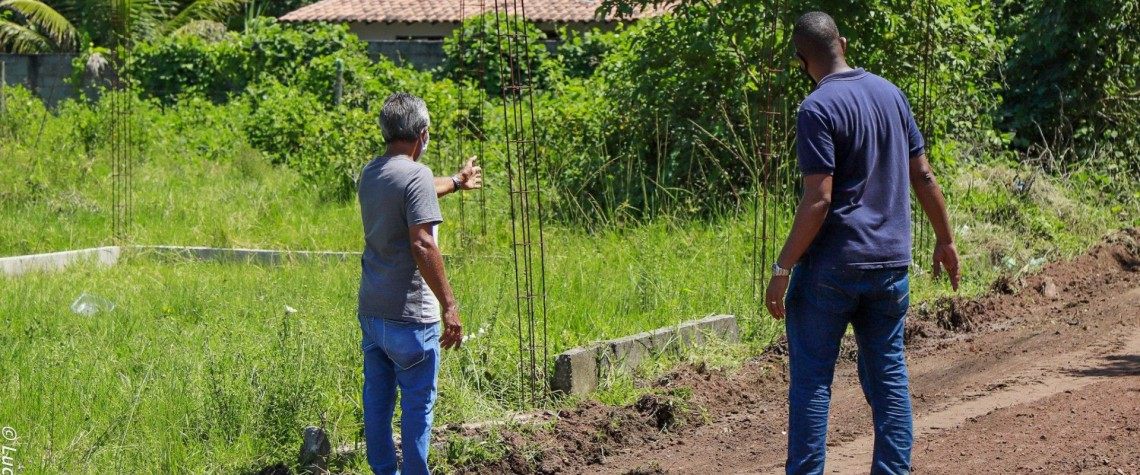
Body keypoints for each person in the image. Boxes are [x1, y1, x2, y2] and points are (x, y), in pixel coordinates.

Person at [763, 11, 961, 475]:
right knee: (889, 379)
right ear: (843, 43)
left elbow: (819, 200)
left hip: (832, 270)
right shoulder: (891, 94)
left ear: (801, 60)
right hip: (890, 266)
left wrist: (782, 267)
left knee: (812, 383)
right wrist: (945, 239)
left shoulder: (816, 108)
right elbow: (924, 175)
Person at [356, 92, 482, 474]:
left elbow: (419, 187)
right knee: (417, 406)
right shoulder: (417, 176)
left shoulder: (372, 172)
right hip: (411, 318)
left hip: (372, 313)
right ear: (422, 134)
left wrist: (457, 183)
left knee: (377, 404)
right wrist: (450, 305)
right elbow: (422, 242)